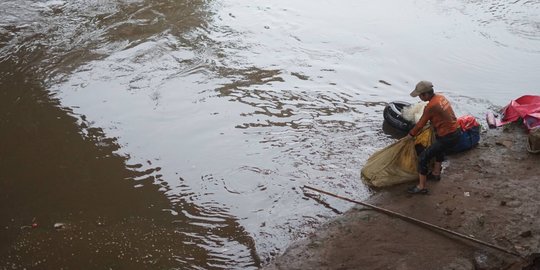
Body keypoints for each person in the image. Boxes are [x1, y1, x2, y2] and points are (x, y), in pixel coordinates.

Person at [406, 81, 461, 194]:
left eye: (420, 95)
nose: (419, 97)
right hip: (456, 131)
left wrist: (410, 135)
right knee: (438, 148)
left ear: (425, 94)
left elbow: (420, 124)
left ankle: (421, 187)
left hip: (448, 136)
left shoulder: (430, 106)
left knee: (423, 158)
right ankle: (436, 173)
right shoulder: (441, 97)